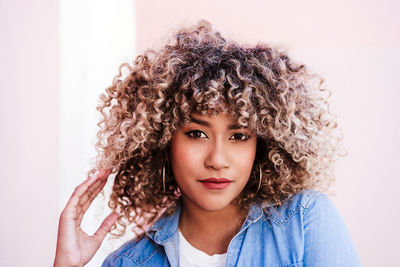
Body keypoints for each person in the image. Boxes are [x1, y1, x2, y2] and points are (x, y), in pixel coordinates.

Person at [54, 20, 361, 267]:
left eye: (239, 136)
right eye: (196, 133)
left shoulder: (304, 224)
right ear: (163, 140)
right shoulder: (129, 263)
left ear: (262, 147)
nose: (217, 159)